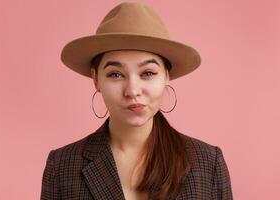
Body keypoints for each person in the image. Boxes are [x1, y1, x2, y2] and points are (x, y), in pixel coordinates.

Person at [40, 2, 233, 200]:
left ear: (166, 76)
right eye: (115, 74)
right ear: (96, 79)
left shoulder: (208, 164)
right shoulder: (62, 166)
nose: (132, 90)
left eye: (148, 73)